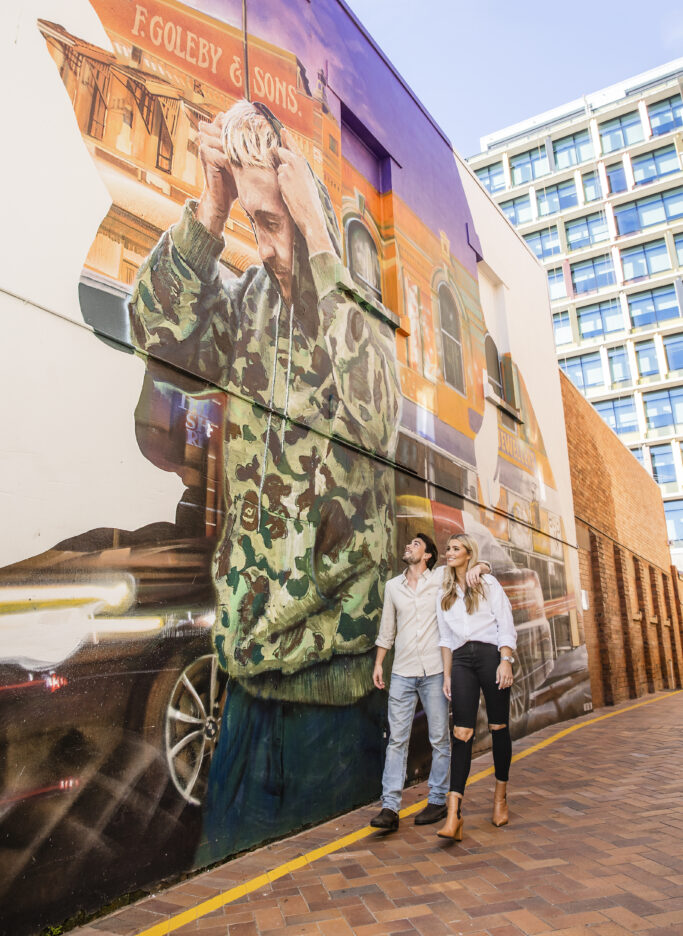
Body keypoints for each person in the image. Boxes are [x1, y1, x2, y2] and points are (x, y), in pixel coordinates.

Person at [129, 100, 401, 859]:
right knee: (228, 876)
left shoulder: (357, 311)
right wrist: (212, 210)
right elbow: (159, 335)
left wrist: (311, 232)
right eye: (259, 228)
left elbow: (375, 415)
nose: (266, 244)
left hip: (337, 686)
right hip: (248, 676)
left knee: (332, 890)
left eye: (273, 222)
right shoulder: (243, 304)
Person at [370, 533, 489, 831]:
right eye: (408, 543)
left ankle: (437, 800)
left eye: (415, 544)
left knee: (439, 739)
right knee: (397, 740)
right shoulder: (392, 587)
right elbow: (388, 629)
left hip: (435, 671)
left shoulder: (438, 579)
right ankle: (390, 808)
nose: (408, 546)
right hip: (402, 672)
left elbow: (468, 562)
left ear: (427, 556)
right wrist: (379, 664)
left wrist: (483, 565)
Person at [436, 532, 517, 839]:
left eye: (456, 548)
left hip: (489, 655)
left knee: (498, 727)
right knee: (461, 732)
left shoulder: (487, 584)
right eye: (448, 548)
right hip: (460, 661)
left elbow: (504, 622)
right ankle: (454, 815)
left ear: (469, 553)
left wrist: (505, 659)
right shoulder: (443, 593)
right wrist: (446, 675)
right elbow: (445, 639)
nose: (449, 552)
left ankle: (500, 797)